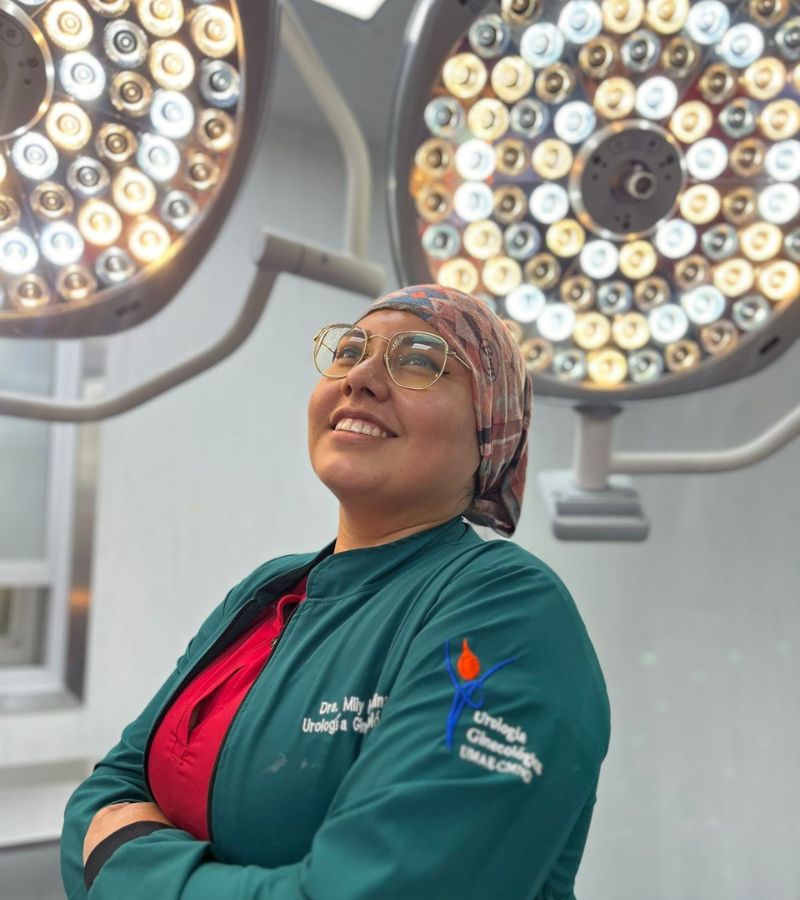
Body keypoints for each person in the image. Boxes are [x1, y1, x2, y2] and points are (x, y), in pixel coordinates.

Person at [60, 284, 610, 900]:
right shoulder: (268, 591)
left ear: (489, 430)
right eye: (349, 351)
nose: (360, 378)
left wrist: (124, 867)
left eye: (418, 360)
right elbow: (105, 793)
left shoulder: (506, 608)